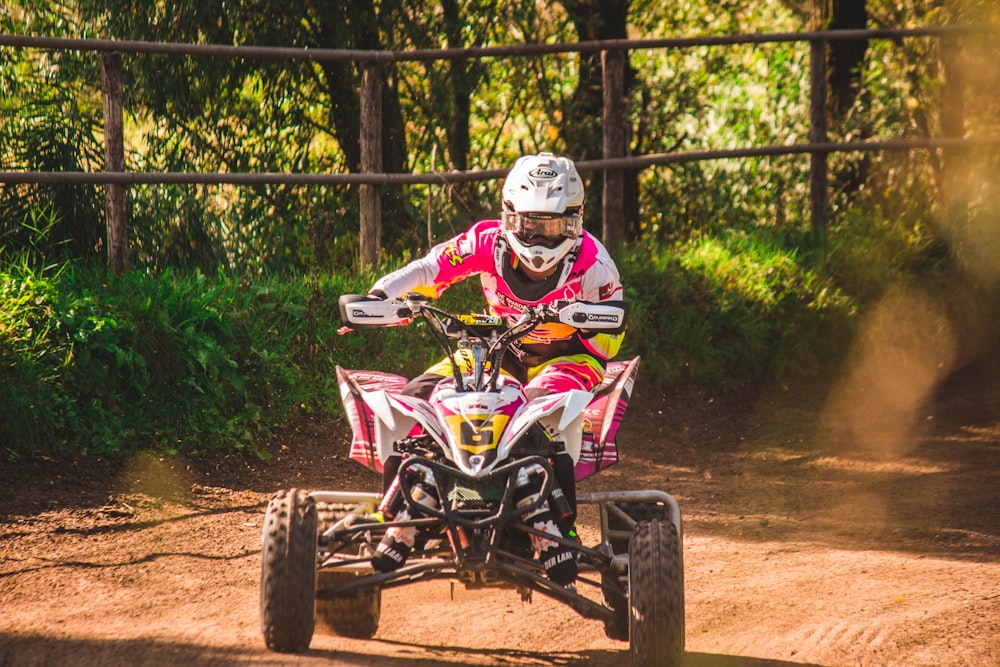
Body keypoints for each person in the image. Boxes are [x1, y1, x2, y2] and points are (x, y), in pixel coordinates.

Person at [365, 152, 626, 584]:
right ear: (509, 217)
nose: (540, 240)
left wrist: (582, 320)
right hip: (496, 347)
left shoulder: (595, 264)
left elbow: (611, 339)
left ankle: (558, 531)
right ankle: (397, 512)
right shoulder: (486, 242)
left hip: (568, 357)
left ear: (575, 222)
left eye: (553, 226)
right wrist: (380, 295)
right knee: (418, 401)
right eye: (531, 225)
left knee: (544, 416)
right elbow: (432, 268)